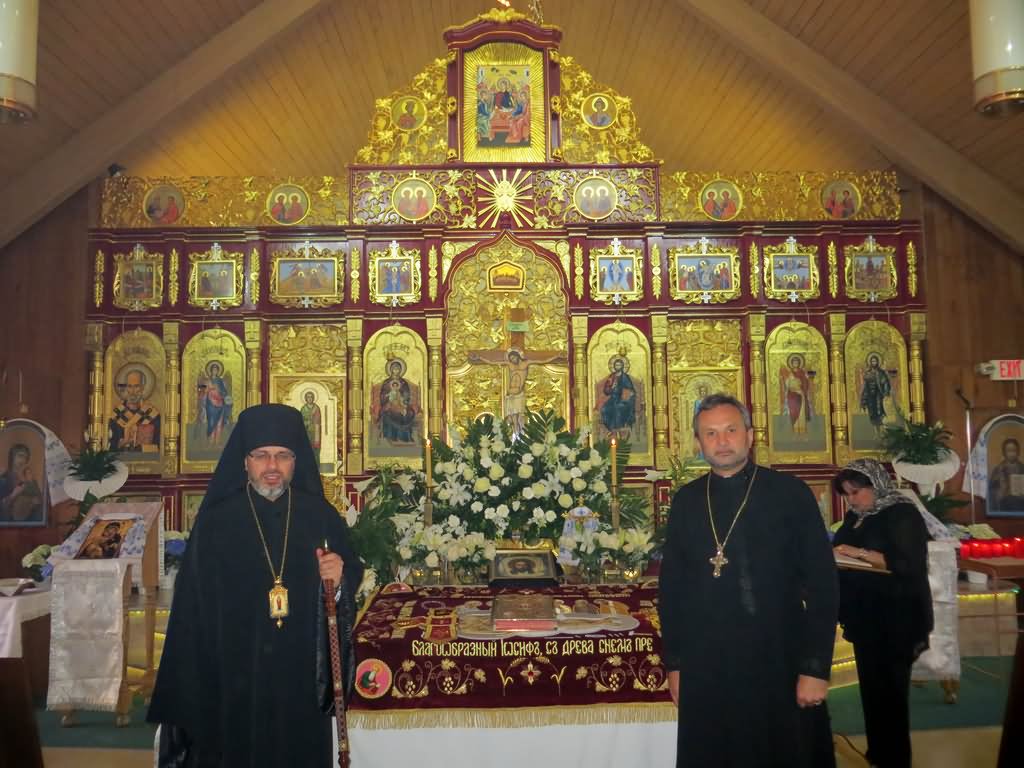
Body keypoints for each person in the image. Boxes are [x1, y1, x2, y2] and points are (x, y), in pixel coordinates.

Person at [148, 403, 363, 767]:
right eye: (261, 456)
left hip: (300, 671)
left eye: (283, 456)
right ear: (245, 461)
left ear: (296, 461)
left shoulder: (319, 516)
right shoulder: (217, 521)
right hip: (234, 671)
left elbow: (348, 574)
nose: (273, 467)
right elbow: (193, 607)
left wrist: (340, 578)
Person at [659, 393, 838, 768]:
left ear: (750, 435)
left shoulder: (790, 495)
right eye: (710, 433)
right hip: (708, 665)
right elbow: (672, 590)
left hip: (778, 659)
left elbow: (824, 585)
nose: (721, 442)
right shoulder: (687, 501)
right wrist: (675, 665)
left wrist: (815, 668)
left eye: (730, 430)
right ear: (698, 442)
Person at [831, 459, 932, 768]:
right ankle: (878, 753)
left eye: (857, 492)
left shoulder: (902, 513)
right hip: (866, 615)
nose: (852, 499)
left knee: (892, 692)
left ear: (877, 485)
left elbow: (904, 563)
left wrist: (857, 553)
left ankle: (897, 759)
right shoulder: (856, 516)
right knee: (872, 688)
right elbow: (841, 546)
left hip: (896, 615)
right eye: (847, 494)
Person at [109, 369, 161, 453]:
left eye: (136, 386)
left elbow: (159, 446)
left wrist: (140, 448)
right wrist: (124, 442)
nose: (132, 391)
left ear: (143, 388)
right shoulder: (116, 415)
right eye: (129, 386)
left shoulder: (153, 415)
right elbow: (110, 446)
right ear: (126, 388)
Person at [0, 443, 43, 522]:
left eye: (25, 457)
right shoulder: (4, 478)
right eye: (20, 456)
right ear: (12, 457)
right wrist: (13, 495)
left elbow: (40, 501)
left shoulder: (30, 480)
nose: (23, 460)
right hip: (8, 524)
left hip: (30, 522)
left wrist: (33, 502)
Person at [599, 356, 637, 441]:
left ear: (622, 366)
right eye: (616, 365)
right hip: (613, 398)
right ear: (614, 367)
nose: (618, 367)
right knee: (605, 409)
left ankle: (619, 430)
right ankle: (612, 430)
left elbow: (631, 390)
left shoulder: (625, 377)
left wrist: (628, 394)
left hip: (624, 401)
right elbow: (606, 391)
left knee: (618, 408)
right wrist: (612, 387)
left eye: (619, 365)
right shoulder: (611, 377)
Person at [989, 437, 1024, 514]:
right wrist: (999, 492)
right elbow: (991, 490)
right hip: (1004, 505)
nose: (1011, 454)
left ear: (1018, 452)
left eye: (1014, 450)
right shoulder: (998, 469)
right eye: (1009, 451)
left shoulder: (1022, 468)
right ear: (1004, 452)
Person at [859, 354, 891, 438]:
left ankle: (883, 432)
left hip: (878, 396)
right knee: (872, 414)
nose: (874, 362)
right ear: (870, 362)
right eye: (872, 361)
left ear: (877, 362)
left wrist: (886, 392)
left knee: (880, 413)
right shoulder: (868, 373)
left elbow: (885, 383)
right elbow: (865, 386)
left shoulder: (881, 373)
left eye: (875, 361)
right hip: (870, 397)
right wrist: (863, 400)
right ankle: (876, 433)